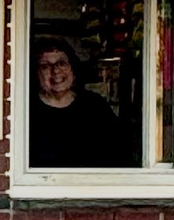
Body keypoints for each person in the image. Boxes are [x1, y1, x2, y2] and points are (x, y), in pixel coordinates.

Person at [28, 38, 131, 168]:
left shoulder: (95, 106)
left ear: (73, 70)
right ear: (36, 74)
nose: (55, 71)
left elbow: (120, 152)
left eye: (61, 63)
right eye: (45, 66)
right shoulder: (27, 111)